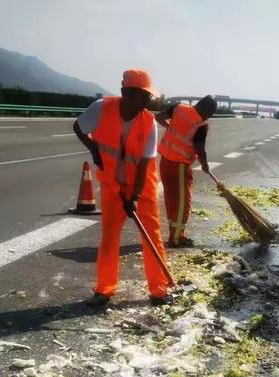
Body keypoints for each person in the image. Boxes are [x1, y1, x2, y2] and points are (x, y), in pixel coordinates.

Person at [73, 69, 171, 307]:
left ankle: (158, 290)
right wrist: (93, 148)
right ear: (126, 92)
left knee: (152, 238)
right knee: (109, 239)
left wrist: (134, 198)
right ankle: (104, 290)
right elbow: (78, 127)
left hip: (142, 187)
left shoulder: (149, 122)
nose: (148, 101)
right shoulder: (100, 108)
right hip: (111, 185)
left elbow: (143, 165)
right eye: (143, 95)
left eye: (149, 96)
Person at [156, 96, 217, 247]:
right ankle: (177, 238)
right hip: (180, 166)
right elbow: (200, 149)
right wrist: (204, 164)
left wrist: (169, 127)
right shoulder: (200, 124)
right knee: (182, 202)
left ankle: (174, 233)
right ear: (207, 112)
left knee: (171, 199)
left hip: (165, 161)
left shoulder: (179, 108)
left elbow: (158, 117)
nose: (208, 117)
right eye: (209, 114)